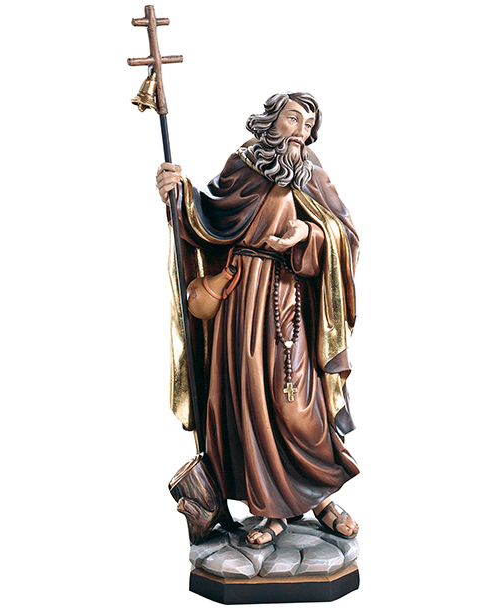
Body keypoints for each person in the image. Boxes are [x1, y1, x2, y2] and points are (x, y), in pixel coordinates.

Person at [156, 92, 360, 549]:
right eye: (293, 119)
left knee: (299, 404)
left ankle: (322, 498)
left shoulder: (312, 174)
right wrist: (177, 192)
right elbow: (207, 219)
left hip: (289, 300)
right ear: (271, 121)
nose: (301, 131)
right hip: (239, 300)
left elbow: (346, 236)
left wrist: (308, 233)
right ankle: (271, 511)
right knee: (245, 401)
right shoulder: (241, 166)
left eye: (308, 125)